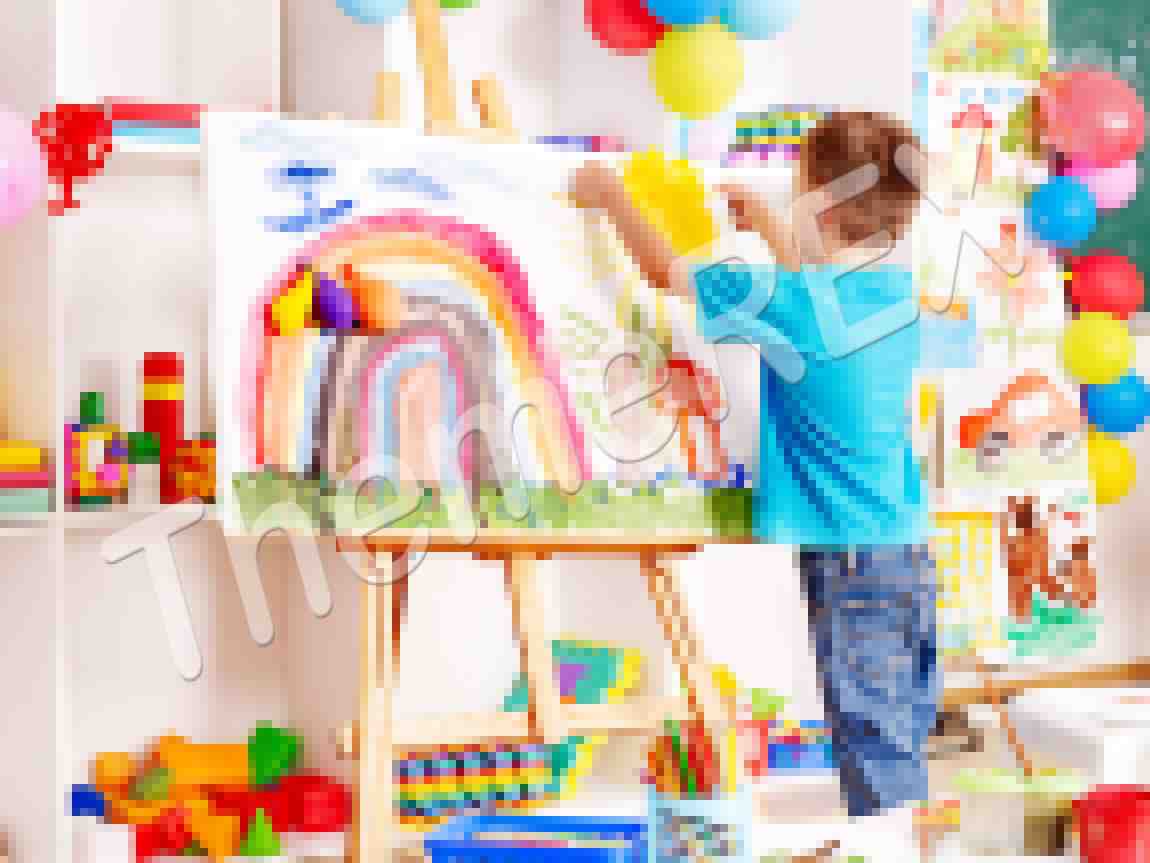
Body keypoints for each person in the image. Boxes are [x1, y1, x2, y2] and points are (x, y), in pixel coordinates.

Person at [570, 111, 938, 831]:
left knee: (875, 749)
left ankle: (891, 847)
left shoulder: (789, 302)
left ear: (821, 206)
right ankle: (908, 840)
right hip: (906, 552)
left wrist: (610, 195)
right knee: (899, 736)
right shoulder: (895, 297)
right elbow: (819, 297)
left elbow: (664, 273)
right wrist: (771, 229)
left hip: (849, 559)